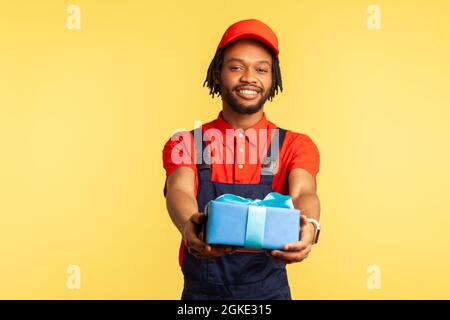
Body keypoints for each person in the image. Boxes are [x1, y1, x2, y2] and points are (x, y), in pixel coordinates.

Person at [162, 19, 321, 300]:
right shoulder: (185, 143)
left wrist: (310, 226)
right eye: (236, 67)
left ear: (273, 81)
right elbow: (180, 190)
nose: (249, 77)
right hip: (202, 296)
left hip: (269, 294)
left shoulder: (295, 145)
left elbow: (305, 192)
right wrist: (189, 225)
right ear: (217, 75)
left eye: (261, 69)